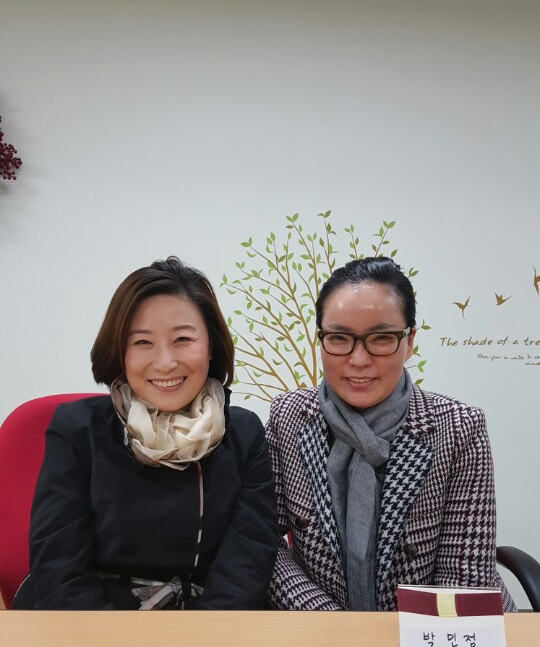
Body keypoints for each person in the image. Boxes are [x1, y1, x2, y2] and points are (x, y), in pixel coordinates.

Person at [18, 257, 279, 610]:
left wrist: (206, 637)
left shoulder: (243, 433)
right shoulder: (77, 428)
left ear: (211, 346)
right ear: (120, 352)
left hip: (208, 619)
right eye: (143, 342)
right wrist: (110, 640)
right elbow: (59, 567)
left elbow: (247, 563)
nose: (165, 362)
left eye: (182, 339)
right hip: (90, 618)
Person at [266, 256, 516, 612]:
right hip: (320, 624)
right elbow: (263, 542)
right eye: (338, 338)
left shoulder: (459, 428)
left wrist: (394, 640)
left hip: (433, 628)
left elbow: (463, 580)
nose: (358, 359)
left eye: (381, 338)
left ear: (409, 340)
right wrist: (329, 622)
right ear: (320, 339)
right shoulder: (288, 417)